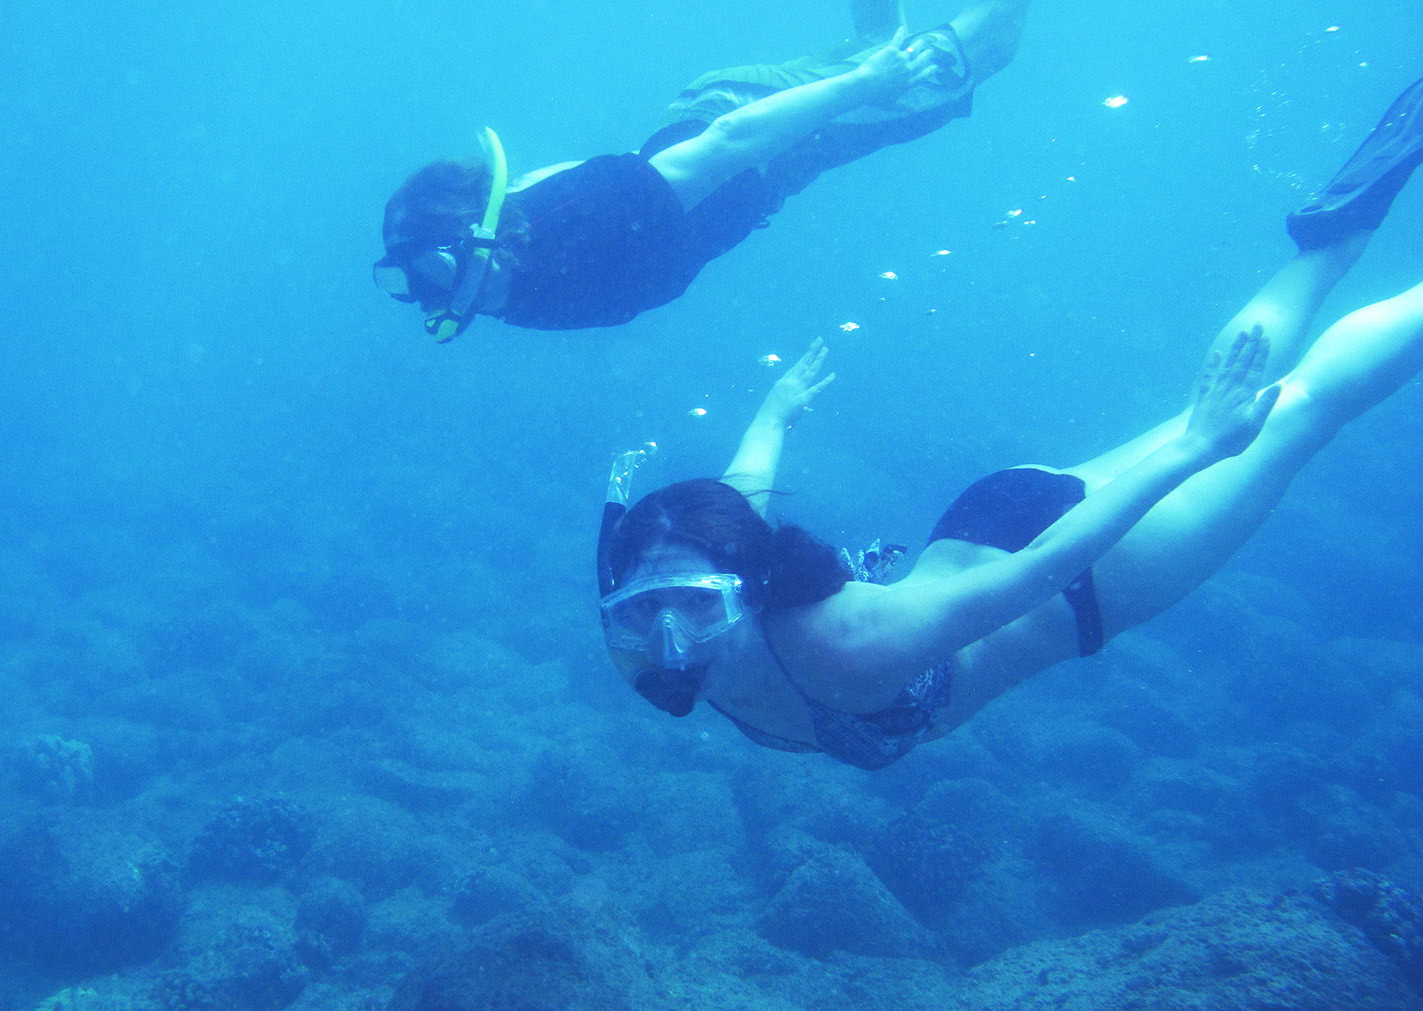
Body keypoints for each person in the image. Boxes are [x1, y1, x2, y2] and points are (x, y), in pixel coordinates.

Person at [596, 78, 1423, 769]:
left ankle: (1330, 288)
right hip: (984, 524)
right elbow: (739, 503)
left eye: (696, 609)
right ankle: (1333, 239)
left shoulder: (855, 648)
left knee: (1303, 409)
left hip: (1081, 575)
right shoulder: (688, 598)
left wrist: (1194, 451)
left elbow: (1037, 574)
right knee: (1225, 397)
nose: (670, 642)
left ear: (745, 589)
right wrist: (776, 413)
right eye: (640, 612)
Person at [374, 0, 1030, 341]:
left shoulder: (579, 217)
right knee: (885, 44)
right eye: (416, 287)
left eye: (438, 270)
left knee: (988, 47)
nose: (438, 297)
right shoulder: (517, 274)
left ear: (475, 233)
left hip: (764, 128)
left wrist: (861, 88)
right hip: (760, 150)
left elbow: (728, 142)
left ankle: (873, 69)